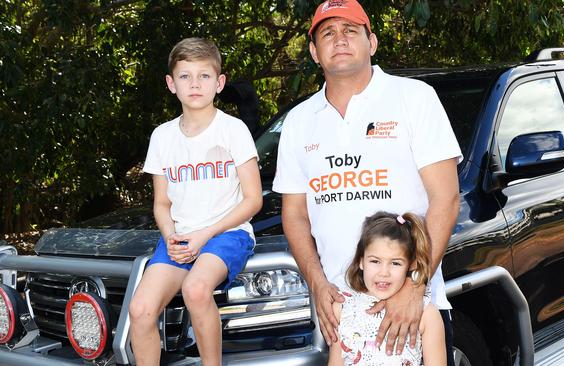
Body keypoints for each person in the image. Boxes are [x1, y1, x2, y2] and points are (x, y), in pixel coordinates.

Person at [272, 1, 462, 365]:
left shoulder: (414, 98)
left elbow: (447, 198)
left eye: (350, 30)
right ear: (314, 52)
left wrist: (415, 288)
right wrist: (317, 283)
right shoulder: (298, 121)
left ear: (371, 42)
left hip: (413, 313)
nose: (339, 38)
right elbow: (295, 214)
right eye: (328, 33)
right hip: (343, 315)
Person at [128, 37, 262, 366]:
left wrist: (204, 235)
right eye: (185, 76)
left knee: (196, 289)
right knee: (140, 309)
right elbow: (161, 203)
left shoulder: (233, 130)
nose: (195, 84)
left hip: (227, 234)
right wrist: (170, 235)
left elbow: (253, 199)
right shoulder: (162, 136)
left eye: (204, 76)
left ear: (219, 83)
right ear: (171, 84)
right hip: (180, 237)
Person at [329, 211, 446, 366]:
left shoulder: (427, 314)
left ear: (411, 264)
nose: (384, 272)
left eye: (395, 263)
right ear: (360, 261)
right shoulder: (342, 309)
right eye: (375, 261)